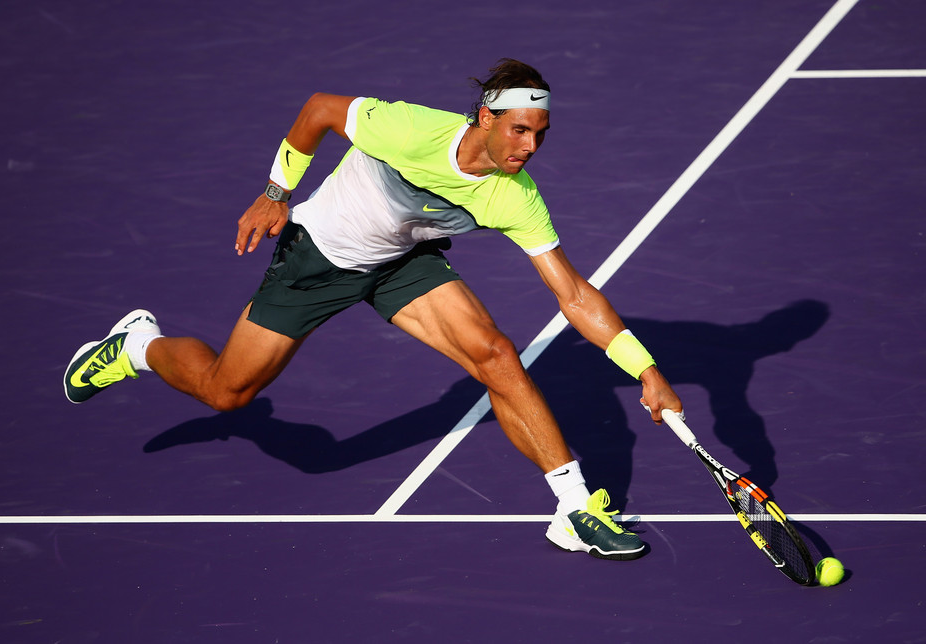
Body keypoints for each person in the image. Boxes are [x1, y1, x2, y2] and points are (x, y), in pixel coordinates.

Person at [64, 58, 683, 561]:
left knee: (495, 355)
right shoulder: (408, 129)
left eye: (540, 135)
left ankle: (574, 509)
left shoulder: (515, 198)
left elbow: (572, 293)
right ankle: (137, 347)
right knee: (226, 393)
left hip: (403, 262)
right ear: (485, 118)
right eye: (519, 130)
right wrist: (278, 191)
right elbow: (319, 111)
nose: (529, 147)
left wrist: (646, 370)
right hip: (319, 258)